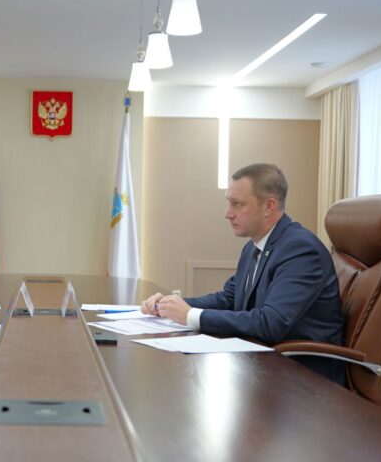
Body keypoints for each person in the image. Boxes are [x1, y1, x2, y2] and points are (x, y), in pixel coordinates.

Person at [141, 163, 345, 384]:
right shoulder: (254, 247)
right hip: (264, 359)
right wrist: (170, 306)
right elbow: (229, 299)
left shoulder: (300, 249)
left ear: (269, 206)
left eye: (237, 204)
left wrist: (191, 316)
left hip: (303, 375)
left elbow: (271, 322)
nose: (227, 214)